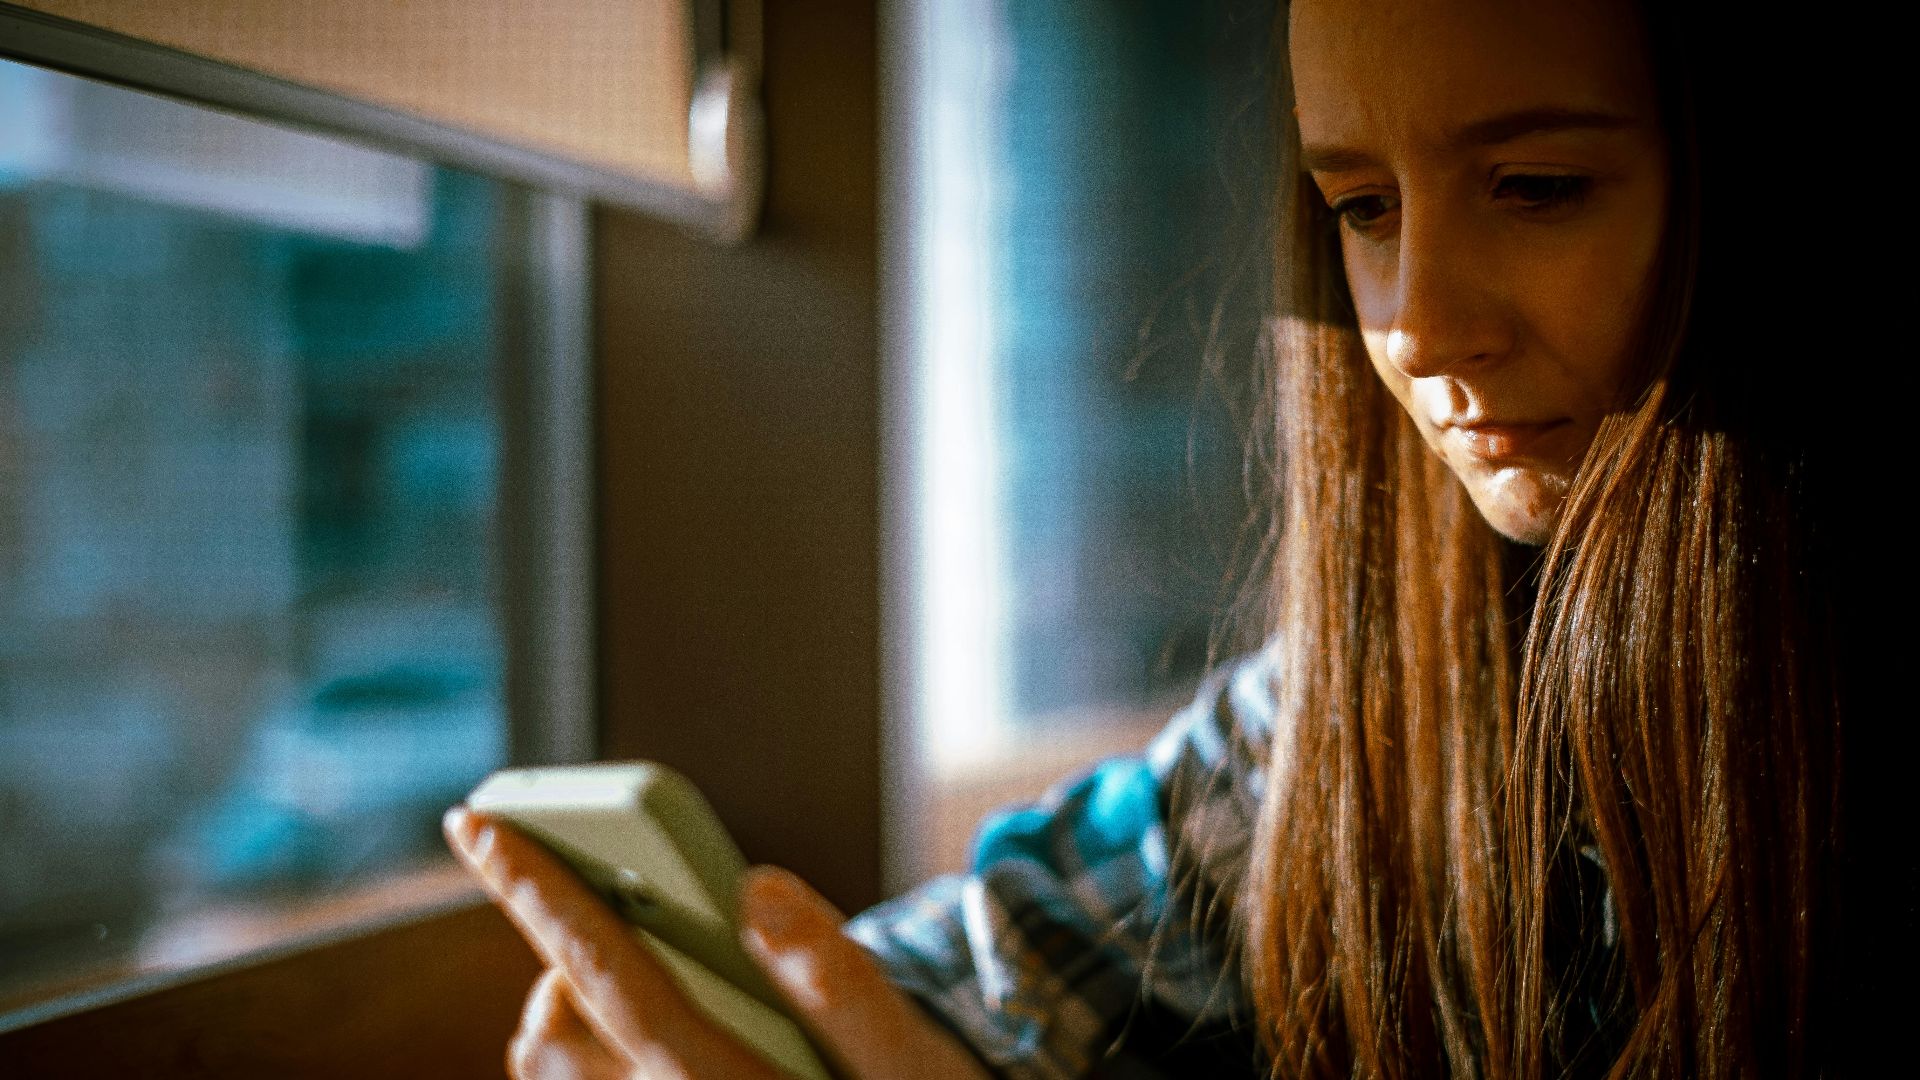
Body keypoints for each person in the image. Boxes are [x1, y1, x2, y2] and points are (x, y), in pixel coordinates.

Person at [444, 0, 1893, 1075]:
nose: (1418, 327)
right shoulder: (1355, 717)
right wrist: (724, 1029)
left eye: (1537, 188)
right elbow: (1000, 961)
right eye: (1363, 208)